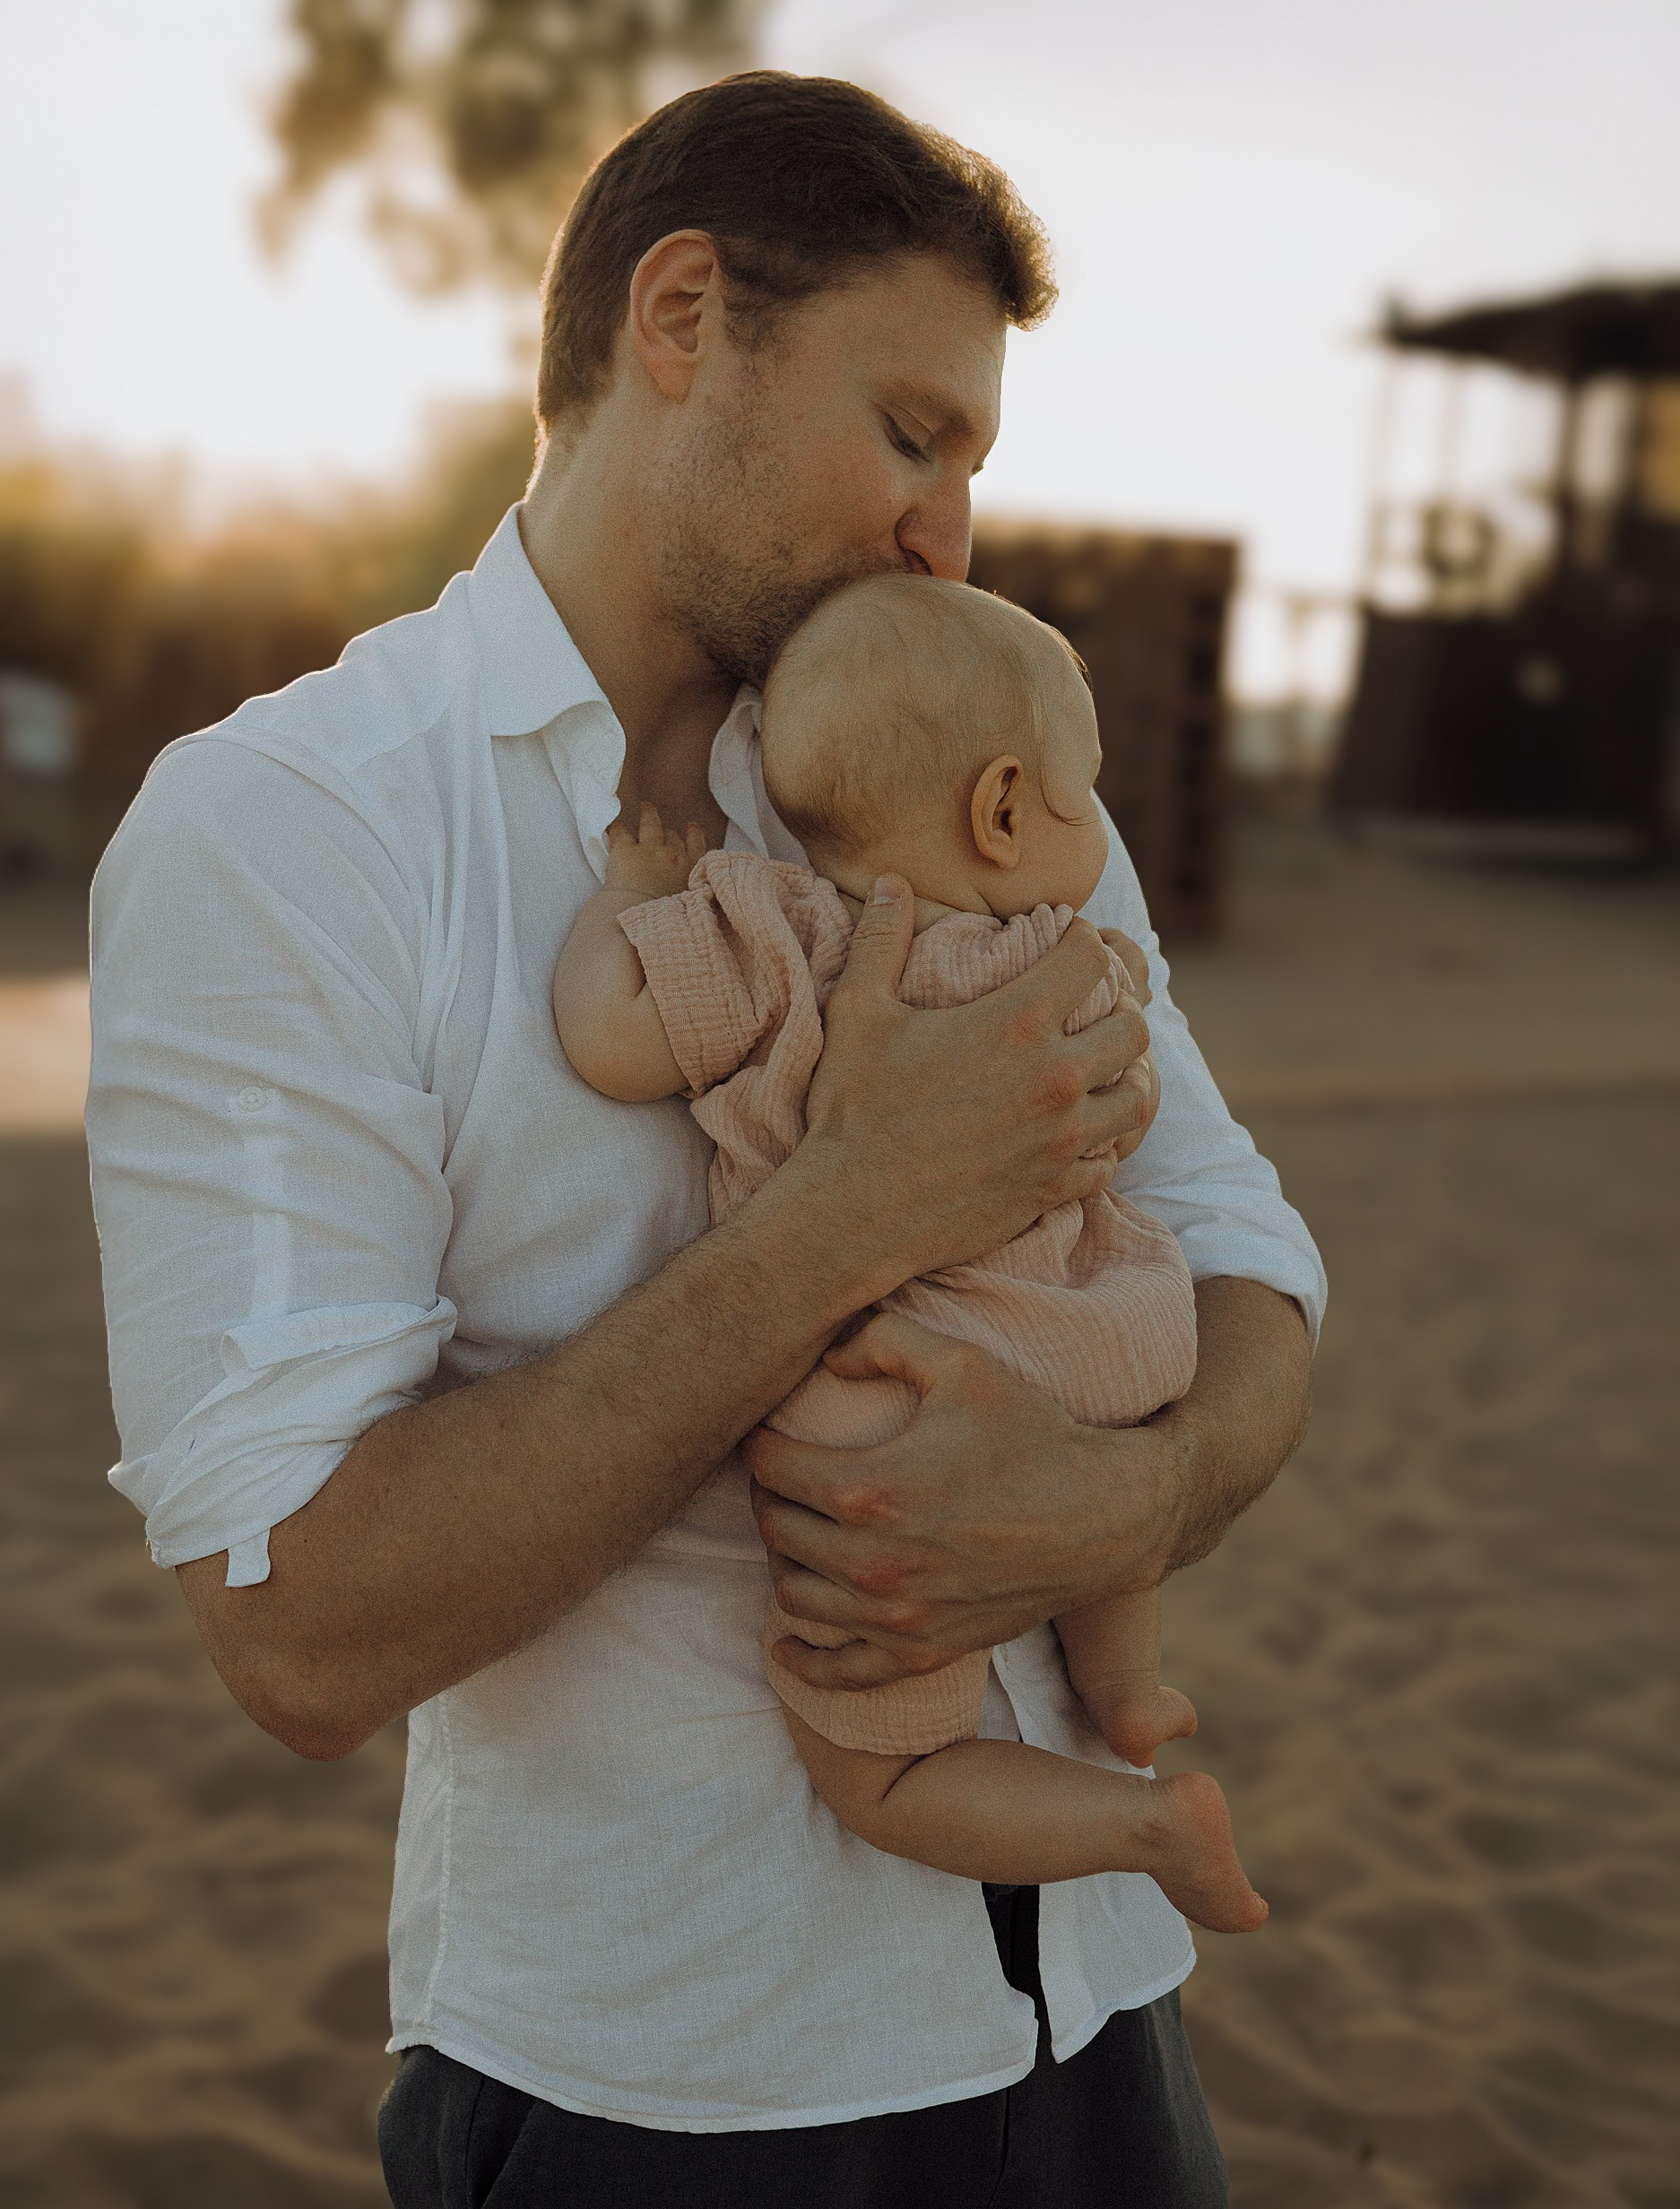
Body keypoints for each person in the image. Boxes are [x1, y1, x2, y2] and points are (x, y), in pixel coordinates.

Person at [87, 70, 1323, 2209]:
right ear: (682, 319)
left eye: (970, 461)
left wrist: (1122, 1489)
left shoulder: (988, 770)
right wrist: (840, 1224)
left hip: (1103, 2020)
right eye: (911, 432)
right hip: (658, 2084)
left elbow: (1251, 1261)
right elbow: (299, 1628)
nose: (948, 529)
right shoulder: (289, 829)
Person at [553, 573, 1269, 1936]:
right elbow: (1134, 1111)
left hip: (904, 1390)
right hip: (1112, 1331)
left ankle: (1143, 1820)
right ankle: (1124, 1684)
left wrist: (631, 898)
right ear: (1003, 810)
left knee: (881, 1770)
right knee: (1109, 1483)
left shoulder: (777, 935)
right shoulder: (1074, 956)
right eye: (1085, 791)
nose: (1095, 824)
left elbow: (609, 1035)